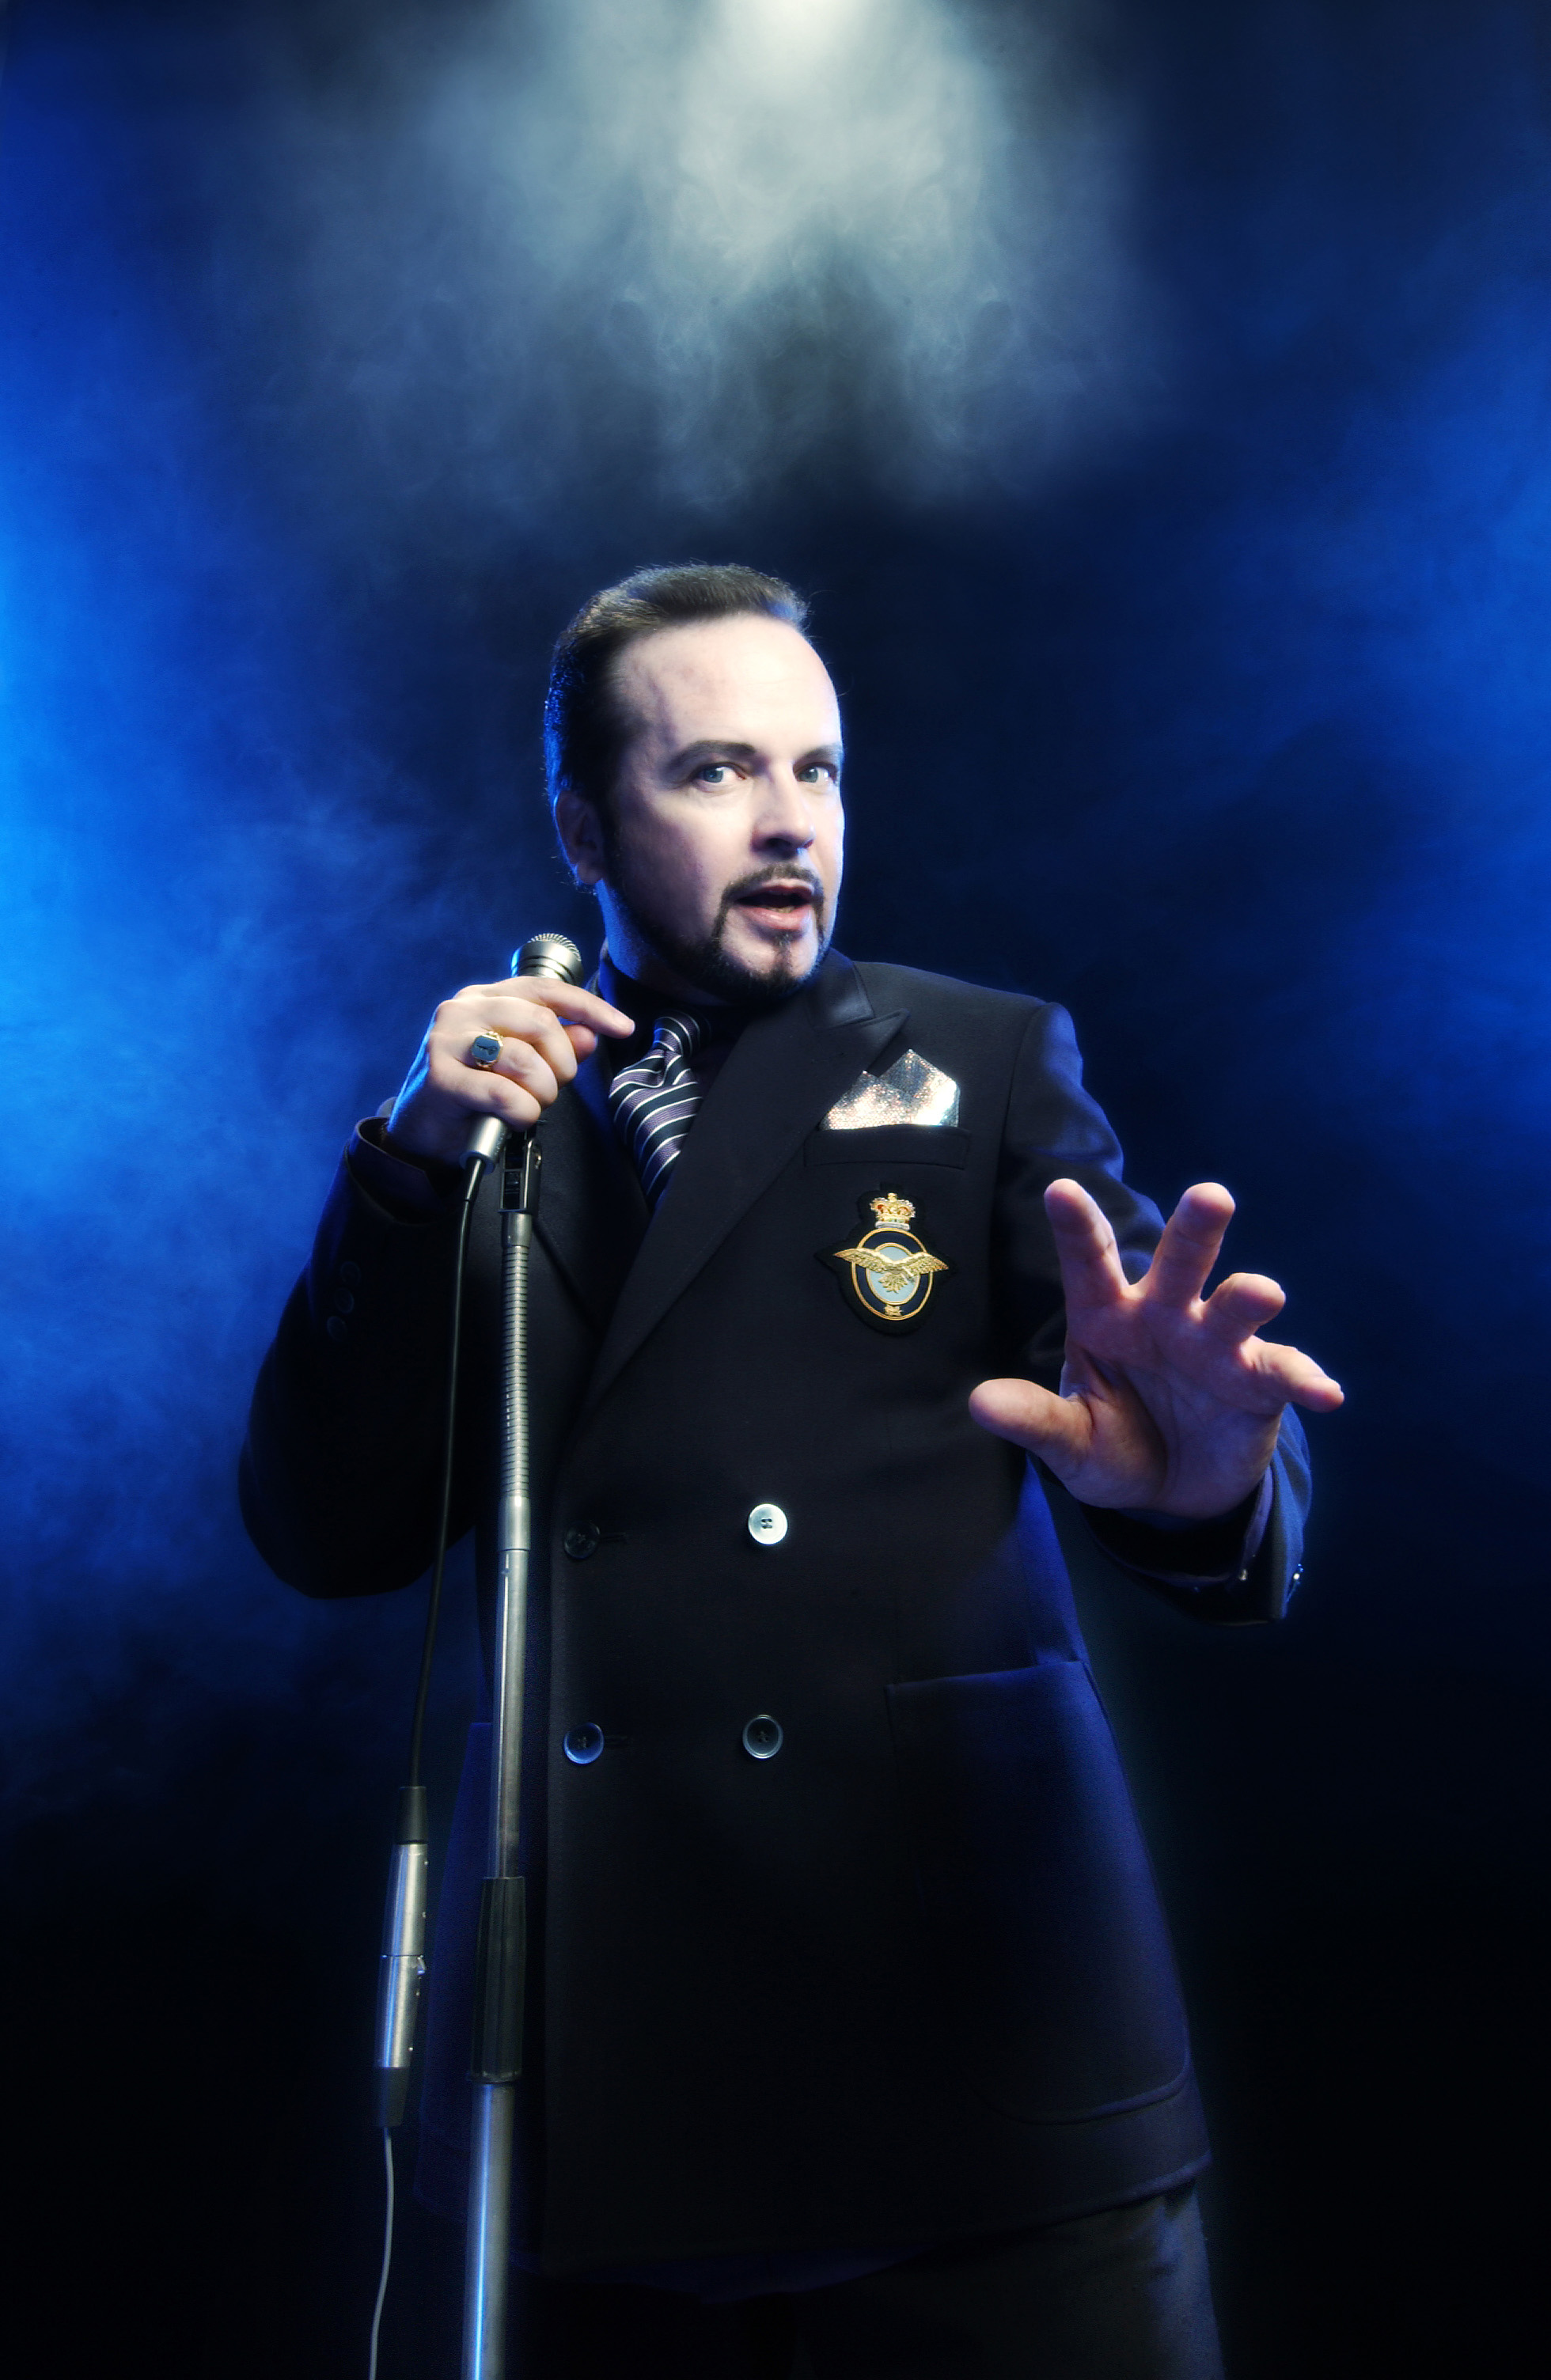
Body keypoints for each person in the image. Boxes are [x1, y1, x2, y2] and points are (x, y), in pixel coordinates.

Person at [241, 564, 1341, 2378]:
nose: (786, 821)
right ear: (580, 826)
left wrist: (1198, 1477)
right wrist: (409, 1163)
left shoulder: (978, 1055)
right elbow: (321, 1526)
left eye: (816, 770)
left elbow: (1151, 1390)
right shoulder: (489, 1118)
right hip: (595, 2069)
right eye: (716, 770)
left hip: (971, 2034)